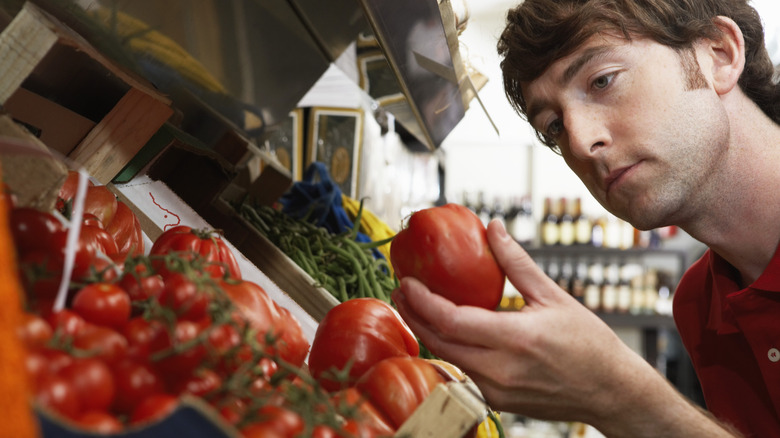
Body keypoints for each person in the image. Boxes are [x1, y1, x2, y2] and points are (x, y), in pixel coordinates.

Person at [391, 0, 780, 437]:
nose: (579, 141)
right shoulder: (698, 304)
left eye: (602, 81)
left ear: (719, 54)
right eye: (554, 125)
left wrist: (618, 394)